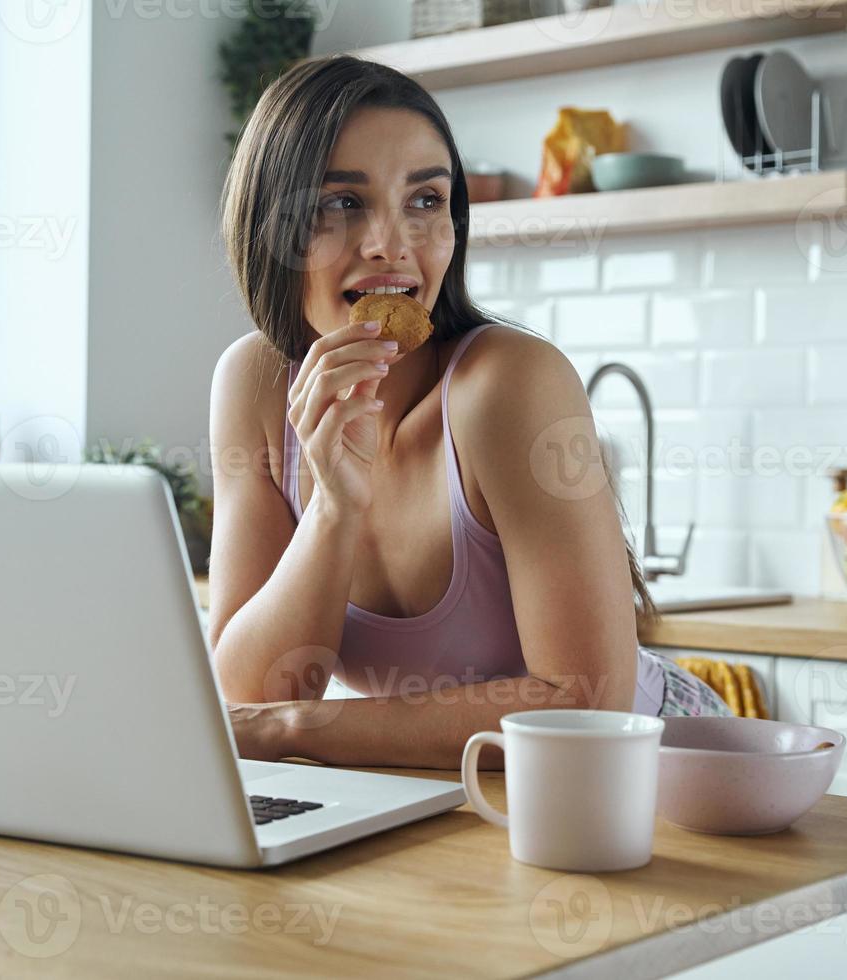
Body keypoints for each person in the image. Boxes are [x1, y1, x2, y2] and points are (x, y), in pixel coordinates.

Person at [208, 55, 731, 770]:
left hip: (642, 771)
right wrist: (333, 508)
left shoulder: (509, 385)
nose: (391, 244)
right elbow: (250, 694)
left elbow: (587, 702)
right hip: (447, 793)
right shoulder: (256, 385)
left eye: (425, 201)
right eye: (341, 203)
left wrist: (301, 727)